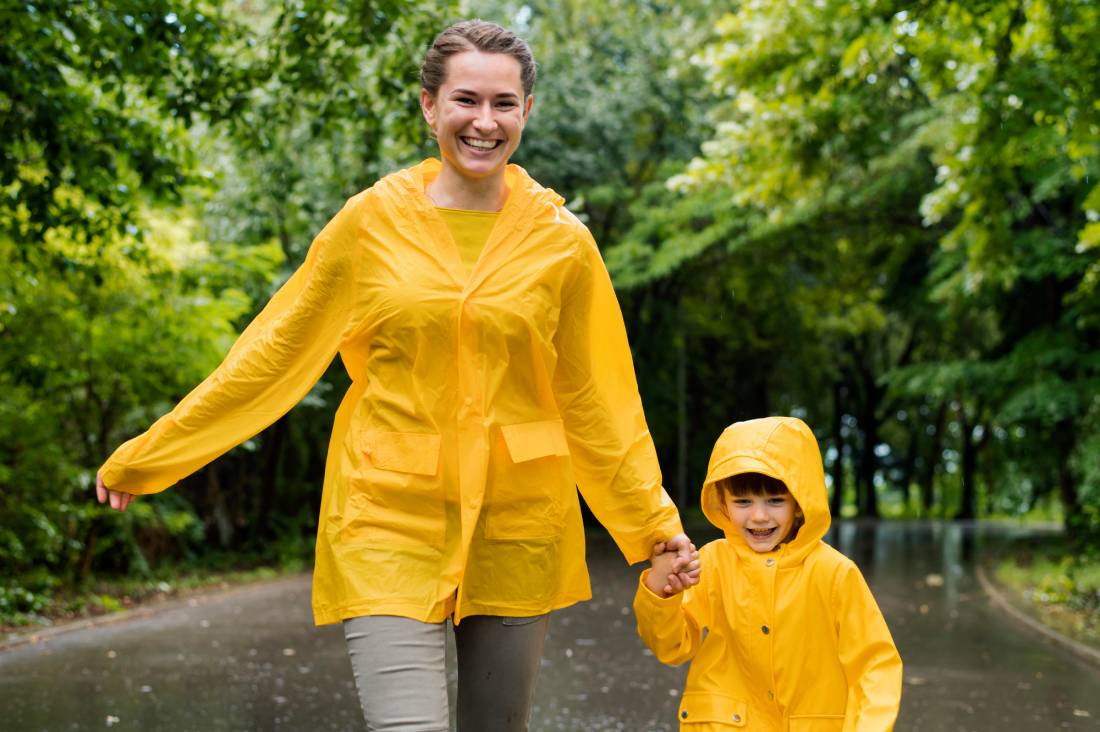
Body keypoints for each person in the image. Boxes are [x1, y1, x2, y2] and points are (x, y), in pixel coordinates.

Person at [95, 19, 699, 732]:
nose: (484, 121)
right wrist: (154, 454)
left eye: (503, 104)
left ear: (527, 111)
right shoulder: (371, 224)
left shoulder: (563, 244)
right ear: (428, 105)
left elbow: (597, 398)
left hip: (518, 520)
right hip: (387, 513)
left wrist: (651, 524)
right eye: (465, 100)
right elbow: (273, 352)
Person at [635, 417, 902, 730]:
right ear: (722, 501)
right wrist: (661, 588)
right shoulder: (712, 563)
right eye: (743, 501)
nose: (759, 516)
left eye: (775, 500)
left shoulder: (834, 573)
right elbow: (671, 647)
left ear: (800, 503)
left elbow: (874, 666)